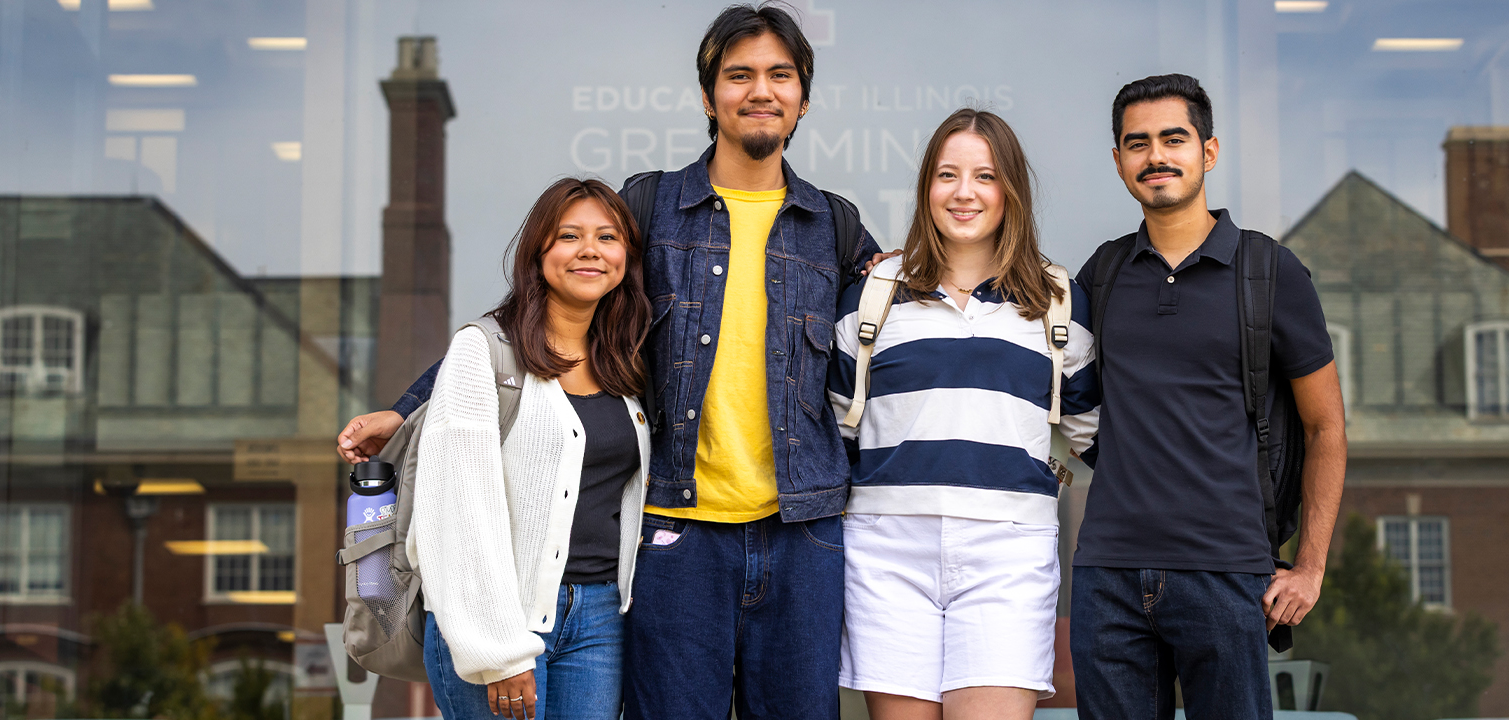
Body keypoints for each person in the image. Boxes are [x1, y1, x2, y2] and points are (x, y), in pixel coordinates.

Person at [336, 5, 880, 718]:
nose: (760, 91)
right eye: (738, 74)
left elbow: (903, 331)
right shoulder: (651, 208)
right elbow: (534, 321)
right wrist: (411, 408)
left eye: (780, 75)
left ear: (802, 98)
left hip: (802, 533)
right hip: (676, 534)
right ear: (708, 95)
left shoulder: (833, 225)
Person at [1067, 73, 1347, 720]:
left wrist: (1309, 567)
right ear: (1119, 161)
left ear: (1208, 151)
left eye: (1173, 139)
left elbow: (1326, 427)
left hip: (1225, 572)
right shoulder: (1102, 274)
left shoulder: (1268, 272)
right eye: (1137, 143)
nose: (1155, 156)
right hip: (1107, 573)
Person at [827, 108, 1099, 720]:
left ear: (1012, 191)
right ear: (927, 186)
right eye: (947, 175)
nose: (964, 192)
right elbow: (836, 437)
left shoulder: (1059, 301)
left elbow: (1098, 442)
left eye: (985, 176)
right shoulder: (872, 294)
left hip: (1010, 553)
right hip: (886, 551)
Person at [412, 178, 652, 720]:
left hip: (599, 621)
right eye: (569, 236)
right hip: (500, 619)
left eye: (607, 237)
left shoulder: (626, 362)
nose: (590, 250)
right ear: (538, 253)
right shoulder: (484, 351)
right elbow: (459, 509)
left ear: (626, 257)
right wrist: (497, 650)